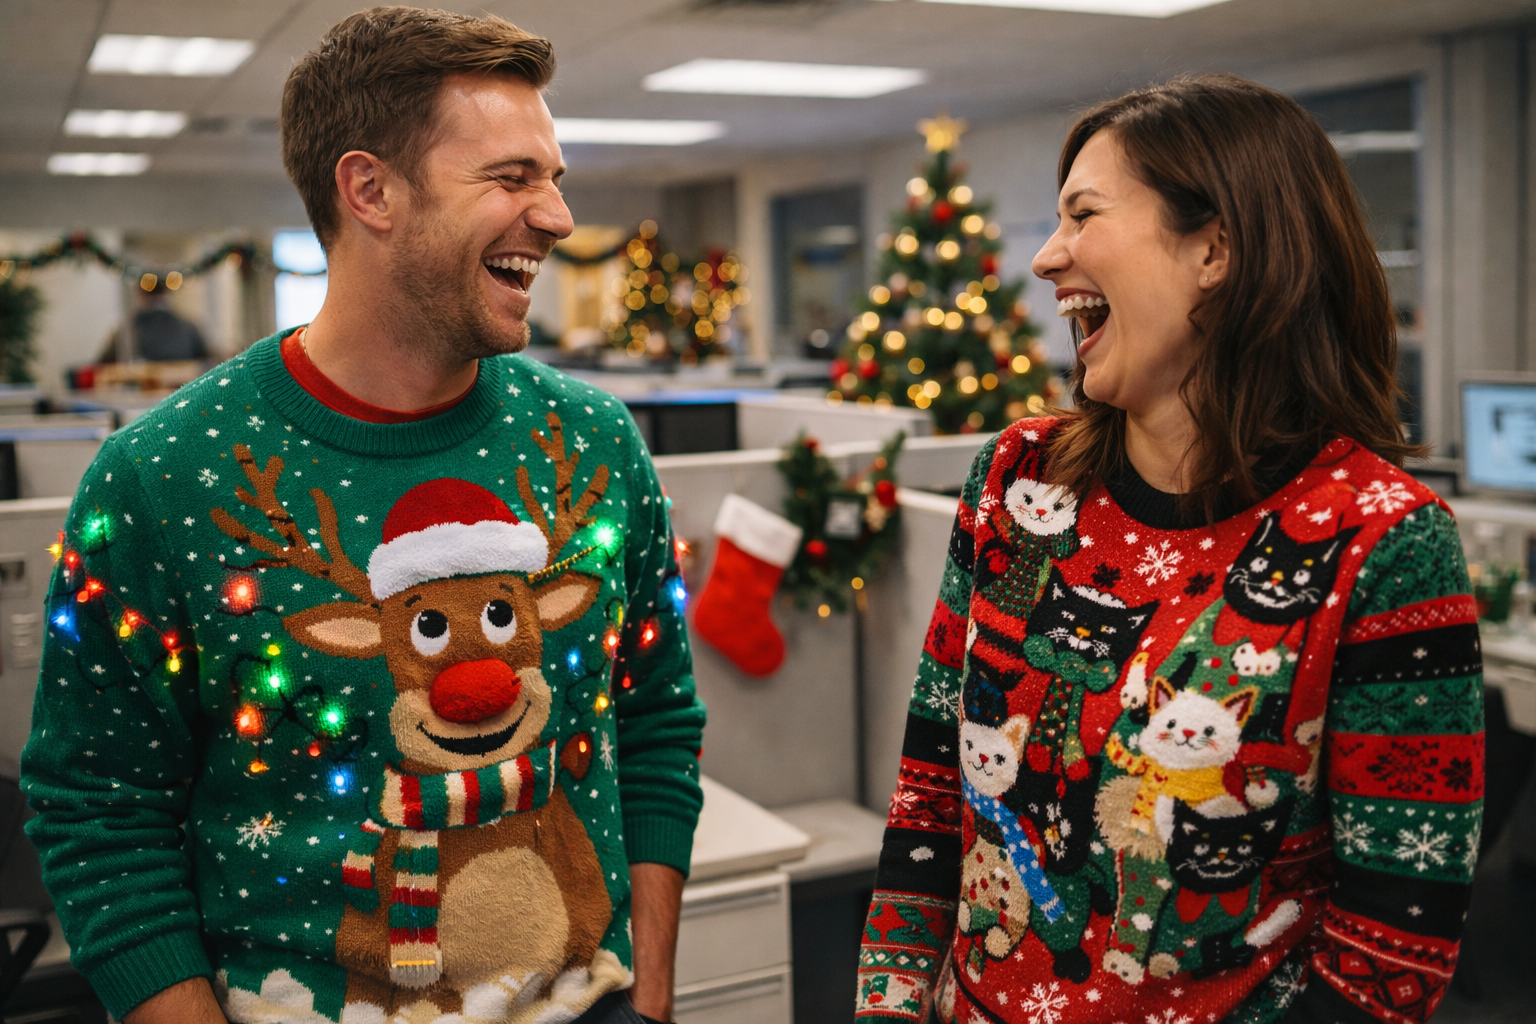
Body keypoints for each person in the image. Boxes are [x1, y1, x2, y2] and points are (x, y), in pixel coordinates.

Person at [22, 8, 704, 1024]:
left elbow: (655, 718)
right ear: (369, 189)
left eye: (555, 179)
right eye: (515, 178)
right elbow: (100, 813)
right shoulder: (160, 478)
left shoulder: (595, 445)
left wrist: (648, 995)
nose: (559, 217)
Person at [856, 74, 1481, 1024]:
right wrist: (889, 1005)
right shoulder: (1020, 484)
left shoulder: (1383, 542)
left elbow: (1393, 940)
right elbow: (934, 794)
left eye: (1082, 214)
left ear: (1214, 248)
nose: (1044, 258)